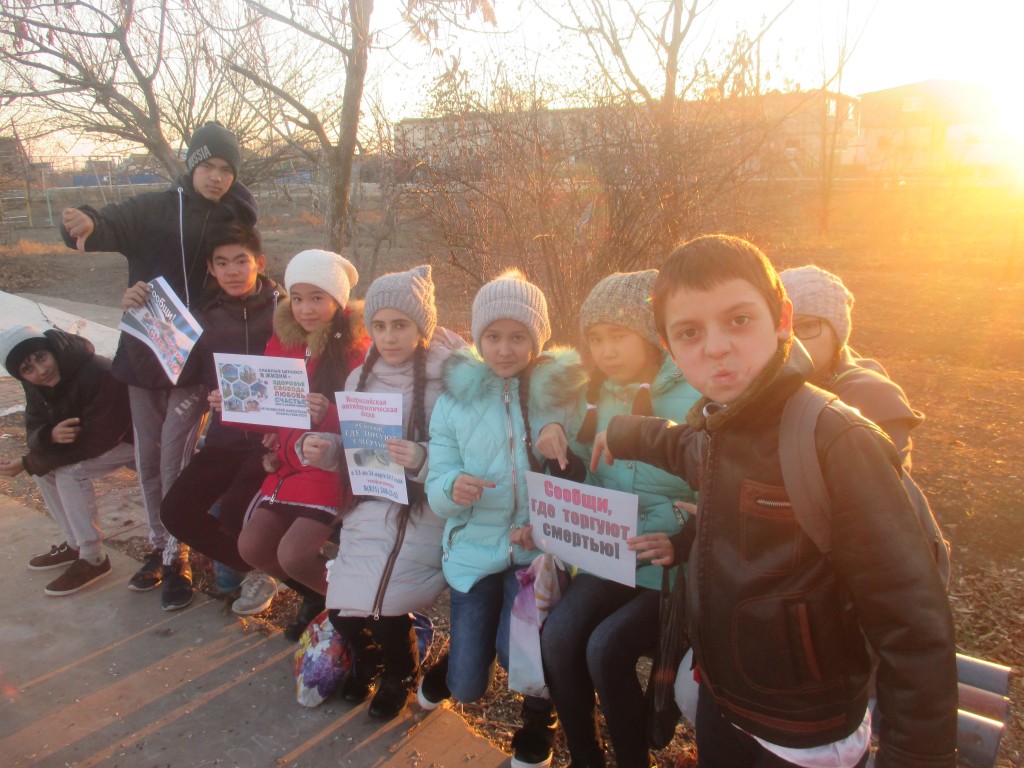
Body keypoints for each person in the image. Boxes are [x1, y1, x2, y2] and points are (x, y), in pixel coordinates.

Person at [591, 235, 957, 768]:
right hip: (726, 702)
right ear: (669, 347)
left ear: (781, 319)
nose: (716, 347)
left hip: (806, 731)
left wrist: (917, 756)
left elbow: (911, 619)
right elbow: (683, 446)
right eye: (690, 332)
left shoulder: (834, 441)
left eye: (738, 320)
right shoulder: (722, 426)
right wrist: (624, 431)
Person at [60, 121, 258, 611]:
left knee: (175, 460)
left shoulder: (236, 214)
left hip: (194, 364)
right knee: (148, 460)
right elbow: (105, 222)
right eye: (208, 165)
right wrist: (82, 223)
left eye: (227, 169)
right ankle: (158, 546)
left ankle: (178, 556)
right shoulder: (153, 208)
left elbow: (248, 270)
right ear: (191, 164)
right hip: (144, 355)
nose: (216, 176)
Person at [421, 269, 587, 768]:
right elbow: (437, 481)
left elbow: (582, 483)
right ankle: (459, 659)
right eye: (493, 336)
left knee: (524, 654)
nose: (505, 349)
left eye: (518, 336)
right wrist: (452, 487)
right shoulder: (454, 401)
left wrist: (548, 522)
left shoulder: (561, 394)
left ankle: (538, 721)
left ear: (538, 339)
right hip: (473, 549)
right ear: (478, 338)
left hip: (534, 553)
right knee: (466, 686)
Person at [534, 271, 700, 768]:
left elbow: (719, 489)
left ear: (650, 335)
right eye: (596, 339)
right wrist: (561, 457)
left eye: (619, 335)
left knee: (606, 648)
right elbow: (587, 477)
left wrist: (685, 535)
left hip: (670, 571)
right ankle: (586, 756)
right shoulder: (595, 396)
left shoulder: (693, 396)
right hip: (610, 556)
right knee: (558, 636)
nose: (606, 351)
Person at [296, 265, 465, 720]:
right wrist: (325, 448)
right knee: (342, 609)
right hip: (370, 502)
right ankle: (368, 660)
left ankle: (401, 672)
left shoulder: (449, 381)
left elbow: (466, 453)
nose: (389, 337)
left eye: (401, 325)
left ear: (422, 327)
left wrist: (422, 456)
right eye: (380, 325)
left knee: (386, 608)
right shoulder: (360, 378)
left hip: (423, 509)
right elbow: (356, 448)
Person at [228, 249, 369, 641]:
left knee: (293, 554)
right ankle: (317, 595)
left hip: (330, 468)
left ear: (337, 300)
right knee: (253, 548)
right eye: (299, 298)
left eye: (317, 298)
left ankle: (356, 611)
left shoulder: (357, 347)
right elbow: (271, 409)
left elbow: (371, 418)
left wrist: (329, 412)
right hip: (287, 465)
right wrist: (234, 404)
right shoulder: (284, 340)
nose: (306, 309)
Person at [152, 222, 281, 615]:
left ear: (259, 263)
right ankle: (258, 568)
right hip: (225, 437)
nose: (232, 271)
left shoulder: (286, 310)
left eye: (241, 261)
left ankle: (279, 572)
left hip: (274, 442)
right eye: (222, 263)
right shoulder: (201, 318)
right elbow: (178, 372)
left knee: (234, 508)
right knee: (175, 512)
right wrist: (141, 310)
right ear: (210, 268)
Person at [0, 325, 134, 596]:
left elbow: (101, 437)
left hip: (134, 439)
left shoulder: (98, 372)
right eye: (27, 368)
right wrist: (48, 436)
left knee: (69, 473)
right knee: (46, 470)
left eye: (41, 357)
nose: (40, 371)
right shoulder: (35, 384)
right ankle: (75, 543)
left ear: (52, 350)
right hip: (92, 441)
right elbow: (33, 424)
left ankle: (93, 558)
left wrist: (29, 462)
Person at [779, 265, 923, 471]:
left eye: (807, 326)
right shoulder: (758, 382)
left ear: (837, 335)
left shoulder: (875, 398)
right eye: (782, 326)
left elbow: (883, 486)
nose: (792, 341)